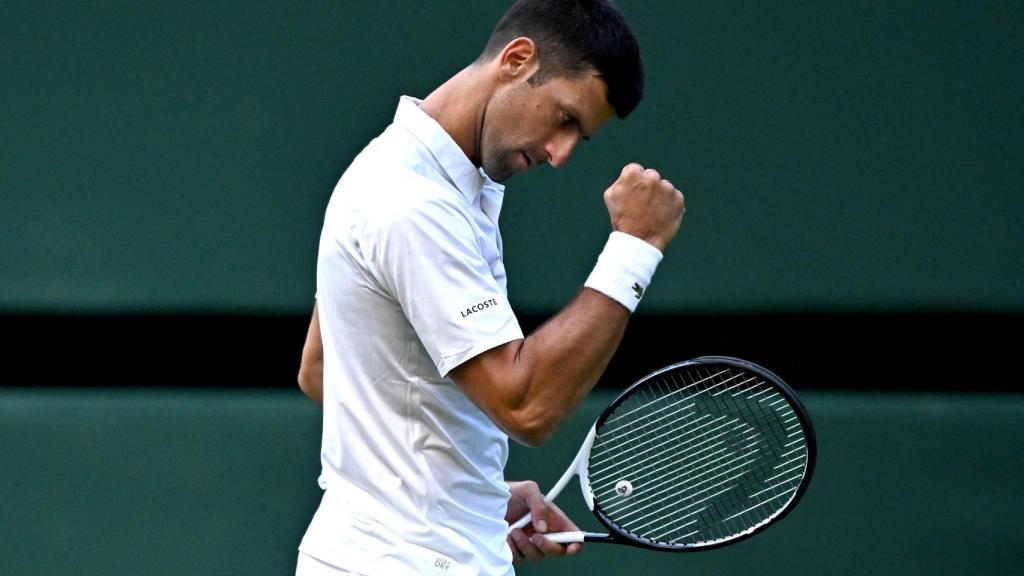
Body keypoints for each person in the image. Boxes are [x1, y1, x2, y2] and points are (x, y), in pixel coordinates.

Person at [295, 1, 685, 574]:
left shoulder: (408, 175)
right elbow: (524, 406)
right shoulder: (413, 204)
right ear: (518, 59)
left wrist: (472, 495)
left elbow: (322, 368)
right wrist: (635, 247)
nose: (560, 154)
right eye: (565, 119)